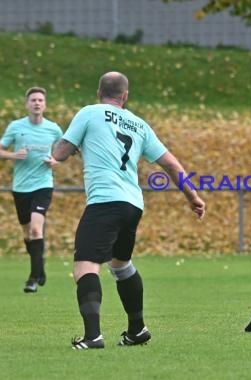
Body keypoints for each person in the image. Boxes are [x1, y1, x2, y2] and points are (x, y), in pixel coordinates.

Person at [51, 71, 206, 350]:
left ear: (98, 93)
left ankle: (93, 337)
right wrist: (192, 196)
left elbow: (60, 152)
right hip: (133, 204)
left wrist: (64, 147)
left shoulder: (90, 112)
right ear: (125, 96)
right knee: (120, 266)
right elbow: (171, 164)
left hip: (104, 201)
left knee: (85, 266)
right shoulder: (139, 124)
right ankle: (137, 330)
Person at [0, 87, 63, 293]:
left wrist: (55, 160)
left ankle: (33, 279)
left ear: (45, 105)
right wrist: (13, 155)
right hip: (20, 187)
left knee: (37, 229)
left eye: (40, 100)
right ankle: (40, 267)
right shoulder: (16, 127)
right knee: (27, 233)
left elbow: (65, 150)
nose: (37, 103)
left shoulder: (53, 129)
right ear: (27, 104)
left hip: (43, 184)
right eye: (33, 100)